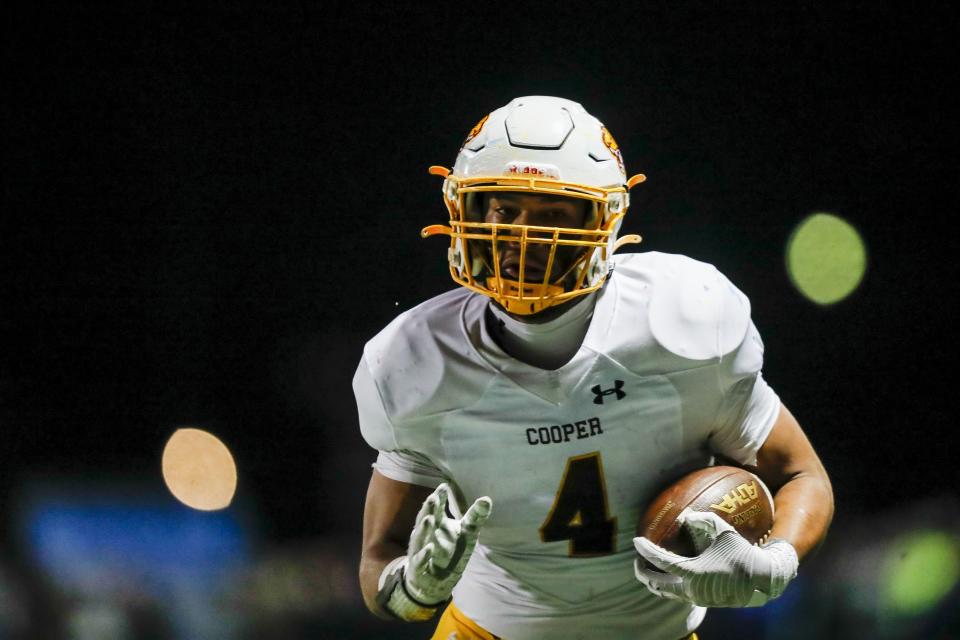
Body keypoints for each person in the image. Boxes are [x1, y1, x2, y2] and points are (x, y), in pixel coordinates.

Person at [354, 96, 833, 640]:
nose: (524, 237)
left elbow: (800, 475)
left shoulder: (682, 322)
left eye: (553, 213)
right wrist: (414, 588)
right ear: (467, 211)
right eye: (505, 210)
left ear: (604, 219)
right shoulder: (414, 360)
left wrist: (773, 565)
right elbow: (379, 560)